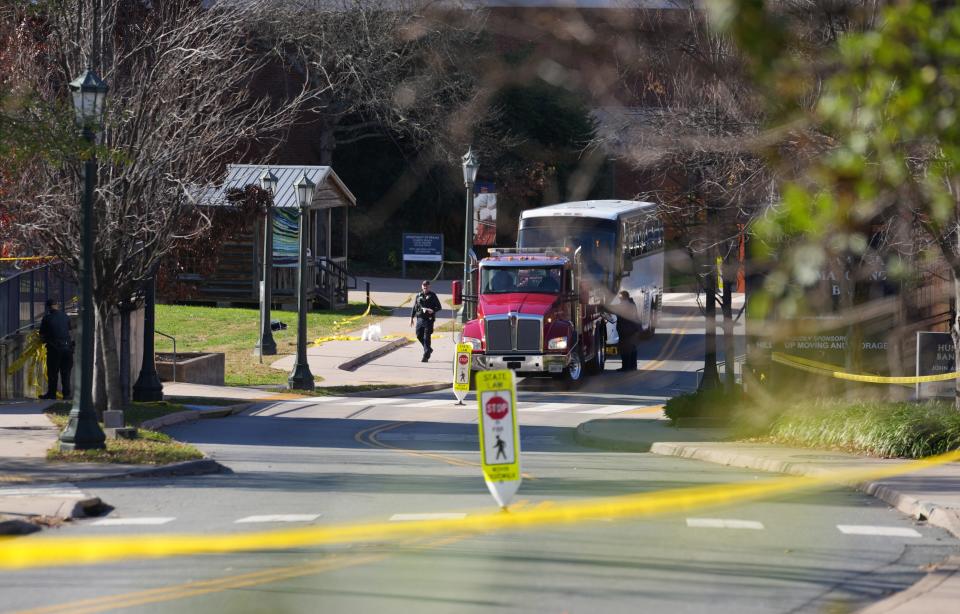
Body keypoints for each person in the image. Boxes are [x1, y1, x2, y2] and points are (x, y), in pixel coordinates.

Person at [39, 299, 73, 399]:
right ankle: (66, 395)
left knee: (53, 373)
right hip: (67, 349)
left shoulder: (47, 318)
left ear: (48, 307)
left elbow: (42, 336)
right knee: (66, 373)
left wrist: (43, 341)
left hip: (54, 349)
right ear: (57, 306)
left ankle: (52, 394)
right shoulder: (66, 317)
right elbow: (70, 333)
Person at [410, 280, 442, 362]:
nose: (425, 287)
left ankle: (426, 355)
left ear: (429, 286)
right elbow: (415, 307)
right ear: (422, 286)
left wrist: (432, 310)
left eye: (426, 286)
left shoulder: (433, 295)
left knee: (426, 337)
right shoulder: (418, 295)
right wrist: (411, 318)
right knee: (418, 335)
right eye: (424, 286)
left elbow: (439, 307)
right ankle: (428, 349)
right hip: (420, 319)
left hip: (429, 320)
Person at [614, 290, 638, 371]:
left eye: (620, 297)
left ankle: (626, 367)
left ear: (625, 297)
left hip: (626, 329)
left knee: (625, 348)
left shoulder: (625, 305)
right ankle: (633, 366)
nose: (619, 298)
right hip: (632, 329)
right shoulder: (632, 303)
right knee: (632, 347)